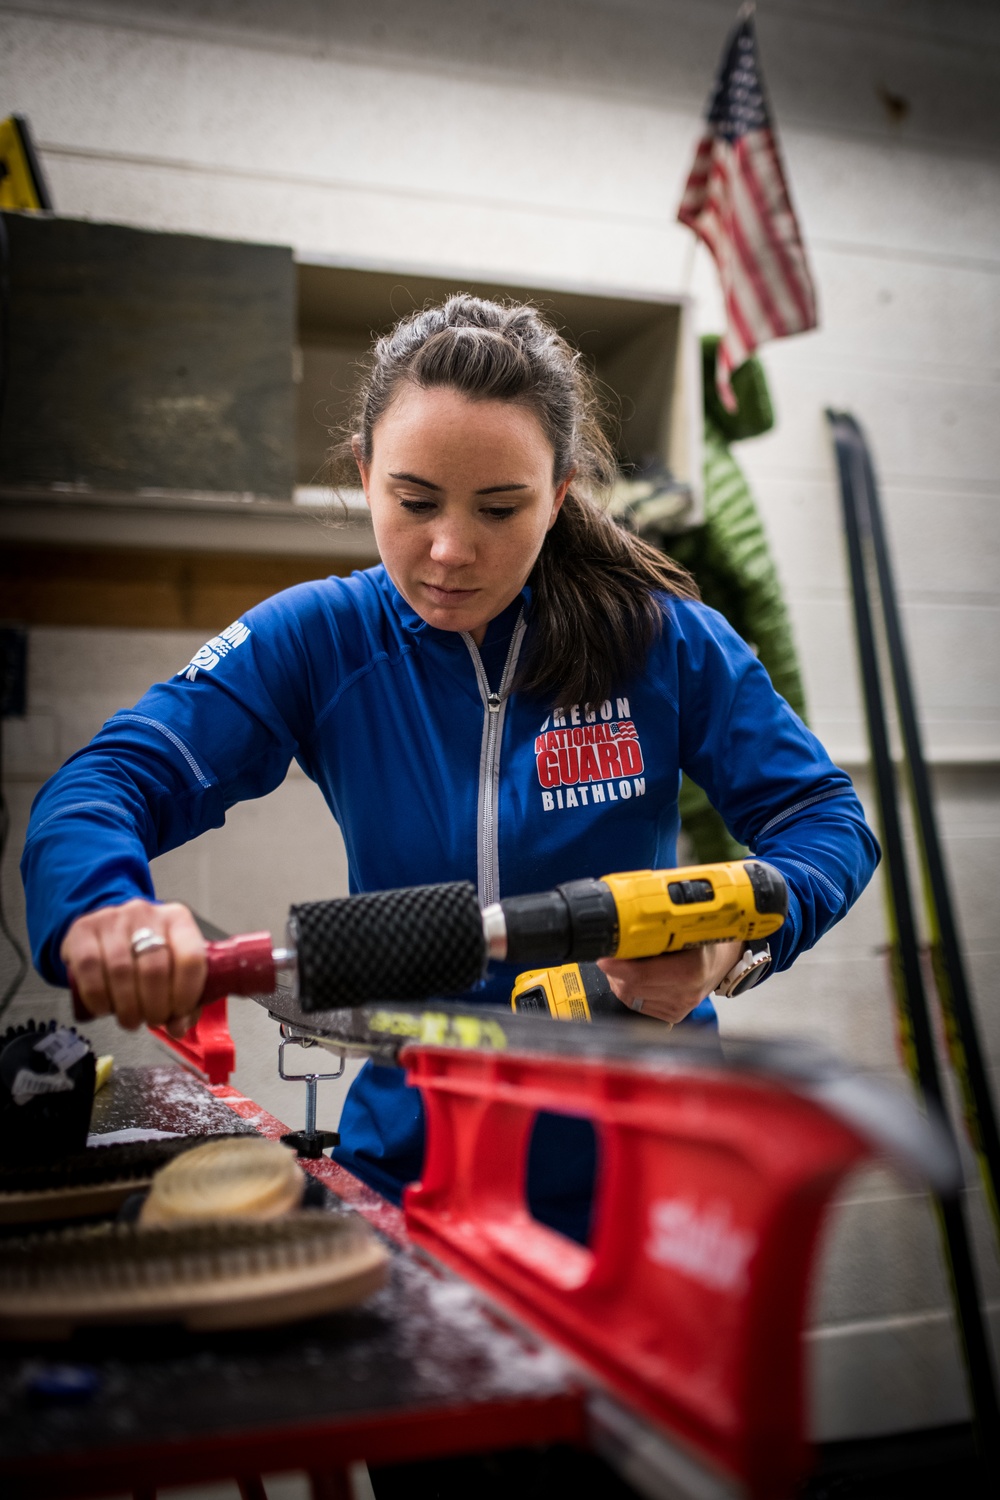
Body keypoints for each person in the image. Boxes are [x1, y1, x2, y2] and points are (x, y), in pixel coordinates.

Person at [21, 295, 879, 1237]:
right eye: (415, 501)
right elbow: (106, 782)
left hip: (645, 1172)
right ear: (365, 473)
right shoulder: (319, 638)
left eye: (501, 508)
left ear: (558, 496)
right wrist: (105, 909)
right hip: (411, 1162)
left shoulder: (665, 643)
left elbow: (827, 822)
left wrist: (730, 945)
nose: (449, 550)